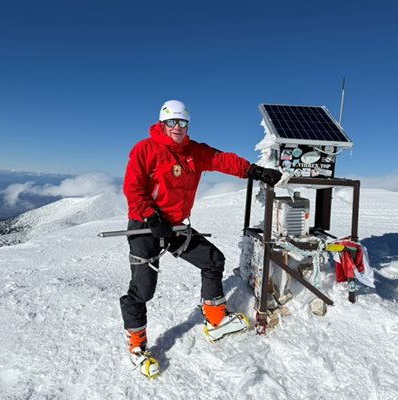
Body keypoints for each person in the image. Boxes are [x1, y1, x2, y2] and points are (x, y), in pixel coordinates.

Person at [120, 99, 282, 378]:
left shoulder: (194, 151)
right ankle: (136, 345)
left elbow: (223, 160)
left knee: (212, 259)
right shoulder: (145, 149)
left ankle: (216, 319)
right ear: (162, 123)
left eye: (183, 122)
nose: (177, 128)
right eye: (172, 122)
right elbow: (132, 187)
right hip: (145, 226)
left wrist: (254, 171)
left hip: (175, 228)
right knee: (143, 289)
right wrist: (151, 216)